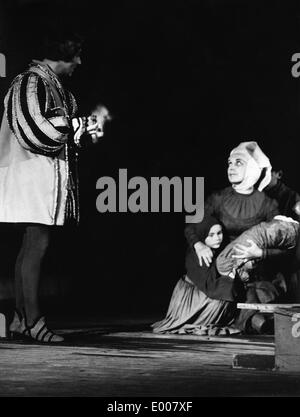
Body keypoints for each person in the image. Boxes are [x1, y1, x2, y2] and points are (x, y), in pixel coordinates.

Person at [0, 32, 108, 343]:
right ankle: (33, 321)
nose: (79, 63)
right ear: (60, 54)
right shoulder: (30, 82)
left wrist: (83, 127)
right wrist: (76, 125)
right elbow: (35, 130)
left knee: (31, 246)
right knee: (37, 246)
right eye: (76, 55)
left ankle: (23, 319)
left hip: (39, 177)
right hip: (30, 178)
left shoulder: (48, 84)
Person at [185, 141, 285, 334]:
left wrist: (260, 253)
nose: (231, 168)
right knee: (230, 287)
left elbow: (284, 242)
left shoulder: (268, 204)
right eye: (229, 163)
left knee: (258, 292)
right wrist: (198, 245)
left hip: (254, 266)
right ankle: (256, 321)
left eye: (238, 163)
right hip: (222, 265)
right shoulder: (217, 198)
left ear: (252, 168)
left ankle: (259, 321)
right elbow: (191, 225)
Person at [152, 215, 243, 336]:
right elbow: (211, 288)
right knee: (221, 300)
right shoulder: (199, 256)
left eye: (219, 233)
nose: (217, 238)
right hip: (192, 297)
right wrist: (231, 276)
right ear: (202, 235)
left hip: (206, 289)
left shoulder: (218, 250)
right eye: (211, 235)